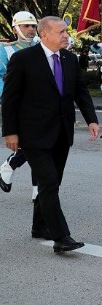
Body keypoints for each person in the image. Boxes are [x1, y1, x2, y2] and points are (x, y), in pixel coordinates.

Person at [1, 16, 100, 253]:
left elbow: (80, 91)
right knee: (48, 182)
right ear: (45, 34)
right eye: (62, 32)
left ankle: (39, 227)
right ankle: (61, 237)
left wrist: (91, 119)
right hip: (33, 133)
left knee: (52, 183)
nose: (67, 35)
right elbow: (10, 99)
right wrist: (10, 132)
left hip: (61, 133)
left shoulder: (69, 59)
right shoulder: (23, 59)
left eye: (66, 32)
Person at [0, 11, 40, 196]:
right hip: (20, 106)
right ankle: (8, 167)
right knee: (35, 146)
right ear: (16, 28)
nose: (31, 29)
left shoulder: (43, 46)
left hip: (41, 104)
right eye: (26, 26)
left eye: (33, 26)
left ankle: (37, 189)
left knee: (40, 147)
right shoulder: (6, 50)